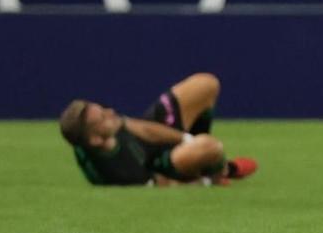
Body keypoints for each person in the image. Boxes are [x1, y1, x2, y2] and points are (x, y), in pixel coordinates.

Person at [58, 72, 258, 186]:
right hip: (165, 163)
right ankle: (220, 171)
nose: (109, 111)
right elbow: (164, 183)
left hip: (157, 135)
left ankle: (205, 161)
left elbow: (143, 129)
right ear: (95, 140)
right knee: (209, 147)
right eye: (102, 117)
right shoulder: (120, 172)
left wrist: (185, 138)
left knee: (206, 84)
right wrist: (198, 180)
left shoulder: (98, 132)